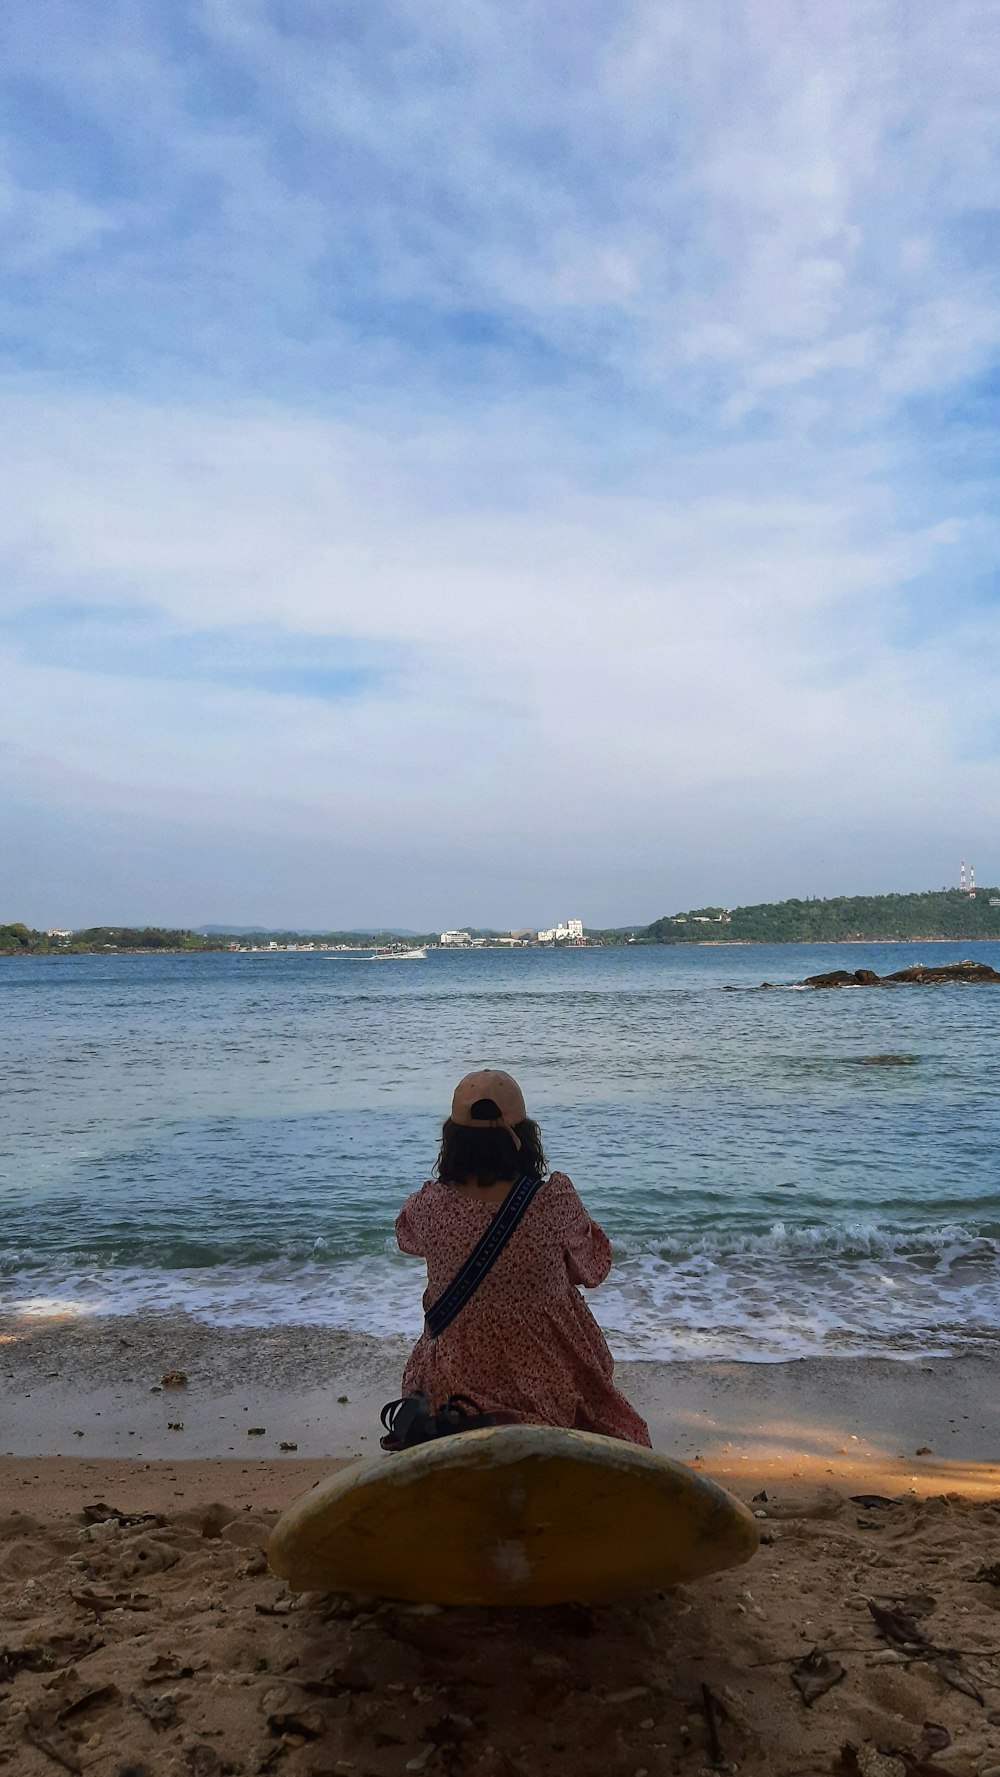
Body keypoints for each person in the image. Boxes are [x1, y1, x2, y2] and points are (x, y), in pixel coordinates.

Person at [394, 1068, 651, 1446]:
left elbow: (408, 1237)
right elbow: (593, 1268)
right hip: (550, 1382)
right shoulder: (554, 1201)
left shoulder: (428, 1206)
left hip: (453, 1383)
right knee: (627, 1437)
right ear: (525, 1137)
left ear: (452, 1140)